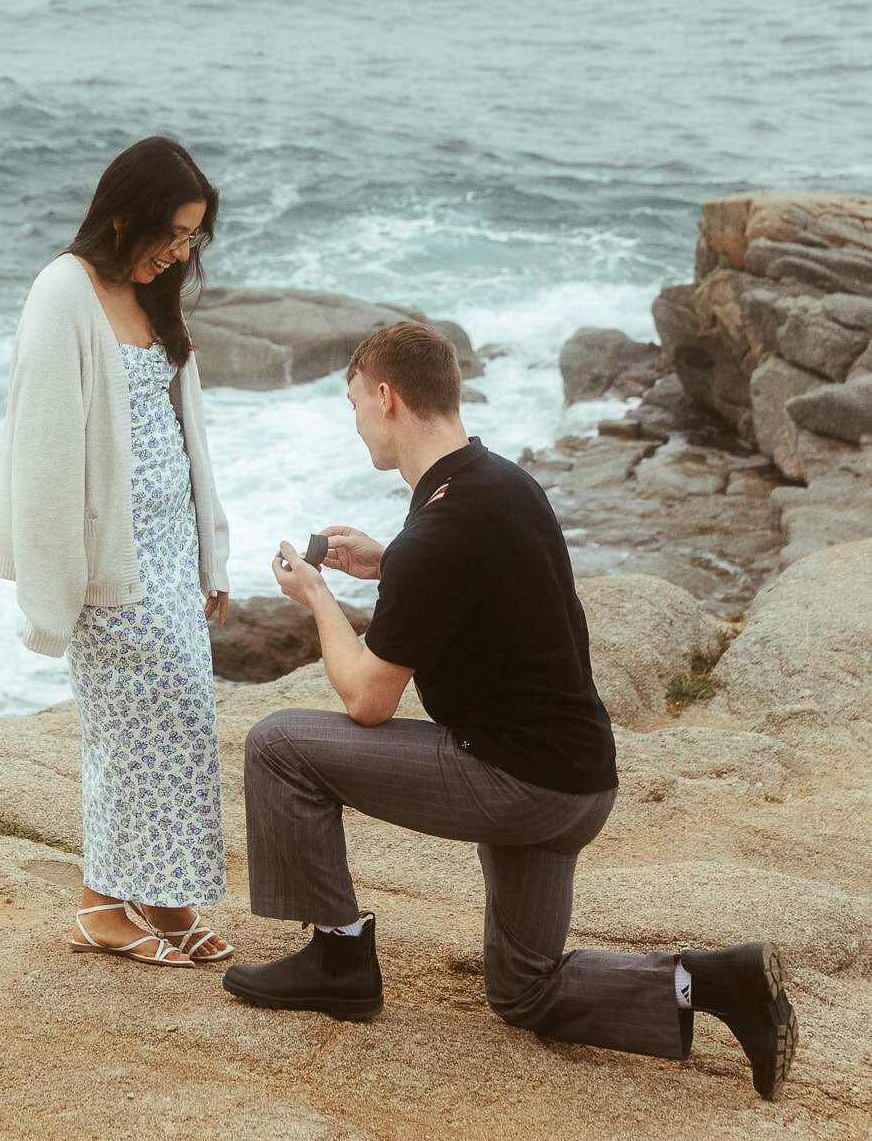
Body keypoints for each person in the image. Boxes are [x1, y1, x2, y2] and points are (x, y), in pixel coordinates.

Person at [223, 320, 798, 1100]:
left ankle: (337, 957)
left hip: (514, 785)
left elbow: (364, 699)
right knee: (523, 990)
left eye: (356, 403)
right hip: (577, 783)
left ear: (386, 398)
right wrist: (387, 562)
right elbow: (473, 577)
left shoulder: (439, 531)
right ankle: (715, 982)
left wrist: (318, 596)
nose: (357, 420)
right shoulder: (499, 482)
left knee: (278, 742)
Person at [0, 135, 235, 968]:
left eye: (193, 238)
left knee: (185, 722)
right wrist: (59, 590)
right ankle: (100, 905)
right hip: (109, 561)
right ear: (123, 214)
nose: (179, 251)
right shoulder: (65, 290)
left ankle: (165, 899)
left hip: (169, 550)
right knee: (130, 733)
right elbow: (45, 451)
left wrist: (209, 559)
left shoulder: (149, 294)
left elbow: (182, 431)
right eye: (172, 232)